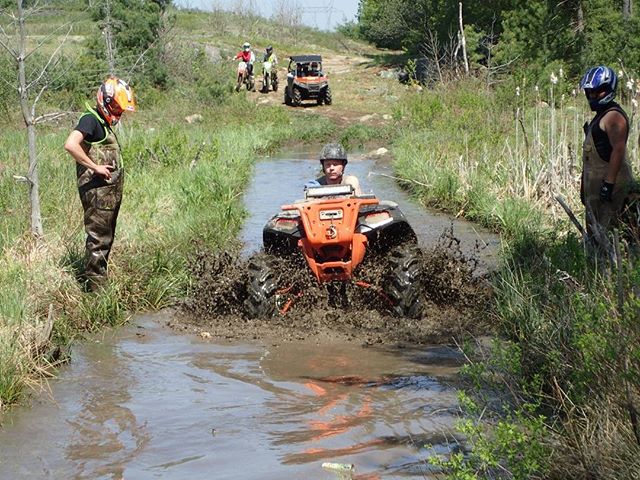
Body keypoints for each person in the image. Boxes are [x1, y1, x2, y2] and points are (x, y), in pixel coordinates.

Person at [64, 76, 135, 291]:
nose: (117, 113)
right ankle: (96, 292)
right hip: (97, 192)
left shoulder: (102, 122)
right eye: (115, 106)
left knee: (106, 237)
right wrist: (95, 167)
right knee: (98, 240)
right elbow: (70, 145)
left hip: (106, 193)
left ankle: (99, 281)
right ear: (105, 100)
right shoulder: (91, 119)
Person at [579, 65, 635, 242]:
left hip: (612, 192)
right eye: (590, 92)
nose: (593, 96)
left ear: (609, 90)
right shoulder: (600, 115)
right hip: (595, 193)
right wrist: (584, 188)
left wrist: (608, 185)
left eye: (598, 92)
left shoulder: (613, 116)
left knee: (610, 236)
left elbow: (618, 149)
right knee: (595, 236)